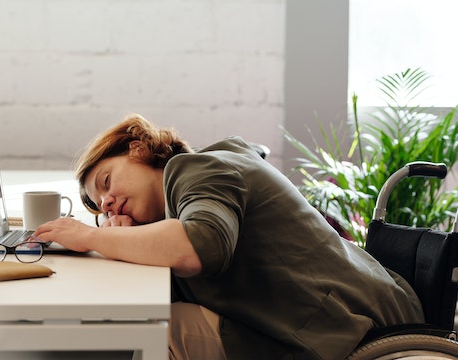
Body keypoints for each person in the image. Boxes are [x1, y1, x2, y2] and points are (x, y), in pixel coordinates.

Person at [33, 114, 425, 359]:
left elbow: (200, 246)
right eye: (98, 204)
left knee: (152, 330)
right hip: (323, 318)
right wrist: (124, 243)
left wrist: (90, 237)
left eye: (106, 182)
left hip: (346, 328)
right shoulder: (186, 191)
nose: (107, 203)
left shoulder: (198, 170)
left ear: (137, 150)